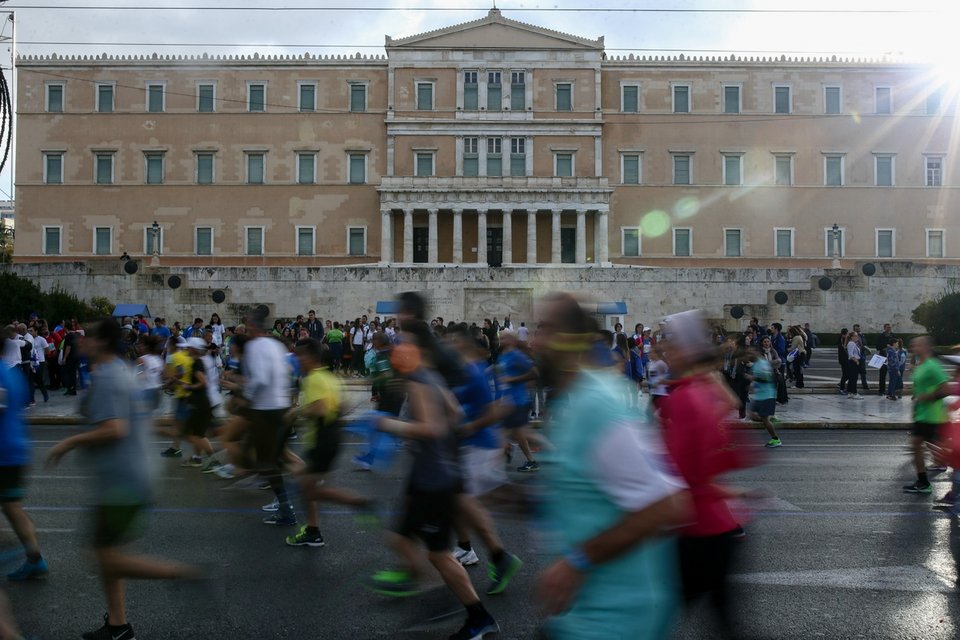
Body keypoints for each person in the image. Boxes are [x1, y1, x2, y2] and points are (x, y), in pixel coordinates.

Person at [535, 293, 688, 640]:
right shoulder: (574, 406)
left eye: (545, 329)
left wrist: (577, 561)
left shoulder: (598, 406)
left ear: (571, 340)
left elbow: (665, 505)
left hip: (619, 618)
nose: (535, 341)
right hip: (584, 613)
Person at [46, 318, 198, 640]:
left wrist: (67, 443)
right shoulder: (120, 371)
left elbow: (115, 428)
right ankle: (118, 625)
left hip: (123, 482)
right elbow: (138, 418)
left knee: (101, 557)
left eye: (87, 338)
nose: (81, 342)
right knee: (108, 555)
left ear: (101, 343)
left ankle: (181, 575)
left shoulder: (111, 377)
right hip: (124, 478)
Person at [368, 320, 499, 640]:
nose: (399, 348)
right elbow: (453, 415)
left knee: (436, 551)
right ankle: (437, 595)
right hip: (431, 472)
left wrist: (390, 426)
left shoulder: (421, 380)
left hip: (433, 478)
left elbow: (432, 428)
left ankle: (459, 608)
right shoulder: (433, 378)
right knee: (401, 539)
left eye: (405, 343)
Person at [658, 309, 752, 638]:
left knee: (658, 616)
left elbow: (681, 473)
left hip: (700, 531)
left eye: (671, 342)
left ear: (687, 350)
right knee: (725, 620)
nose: (664, 349)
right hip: (720, 524)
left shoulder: (685, 399)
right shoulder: (701, 393)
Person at [284, 339, 372, 547]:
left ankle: (356, 502)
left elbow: (321, 409)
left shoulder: (313, 379)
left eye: (300, 356)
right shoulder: (329, 377)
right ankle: (313, 530)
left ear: (311, 357)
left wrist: (295, 412)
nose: (297, 360)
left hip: (322, 439)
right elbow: (344, 405)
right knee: (306, 486)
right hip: (330, 437)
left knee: (308, 489)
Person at [244, 310, 297, 525]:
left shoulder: (255, 346)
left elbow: (260, 379)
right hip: (281, 406)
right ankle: (290, 496)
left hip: (265, 409)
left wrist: (246, 398)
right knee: (274, 458)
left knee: (267, 462)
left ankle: (287, 505)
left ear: (253, 327)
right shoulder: (275, 345)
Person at [0, 360, 48, 581]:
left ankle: (20, 552)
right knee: (12, 506)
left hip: (5, 451)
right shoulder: (11, 372)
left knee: (12, 507)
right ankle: (34, 558)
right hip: (14, 446)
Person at [903, 336, 952, 494]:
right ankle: (923, 482)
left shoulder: (932, 365)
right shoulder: (921, 365)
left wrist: (928, 397)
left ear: (925, 347)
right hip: (922, 415)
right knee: (918, 446)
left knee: (919, 446)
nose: (913, 347)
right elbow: (919, 389)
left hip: (932, 416)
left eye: (917, 345)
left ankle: (924, 482)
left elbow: (946, 389)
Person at [497, 330, 540, 472]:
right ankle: (529, 459)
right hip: (508, 401)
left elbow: (534, 373)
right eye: (500, 337)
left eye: (504, 337)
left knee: (504, 433)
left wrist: (512, 380)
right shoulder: (503, 355)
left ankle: (493, 468)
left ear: (511, 339)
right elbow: (502, 372)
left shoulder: (517, 355)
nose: (500, 339)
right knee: (517, 434)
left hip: (518, 401)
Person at [749, 349, 782, 447]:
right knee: (752, 416)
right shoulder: (755, 365)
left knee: (764, 419)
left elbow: (767, 378)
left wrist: (754, 379)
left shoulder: (763, 364)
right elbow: (757, 379)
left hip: (767, 395)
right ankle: (771, 420)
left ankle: (775, 439)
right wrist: (752, 386)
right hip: (759, 395)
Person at [876, 323, 897, 397]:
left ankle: (892, 391)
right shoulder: (881, 336)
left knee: (893, 375)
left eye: (890, 327)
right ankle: (881, 390)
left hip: (891, 358)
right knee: (882, 374)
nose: (889, 329)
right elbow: (877, 347)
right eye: (887, 327)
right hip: (883, 357)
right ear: (884, 328)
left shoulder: (893, 335)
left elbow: (896, 345)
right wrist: (886, 346)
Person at [845, 331, 863, 399]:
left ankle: (850, 392)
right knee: (854, 378)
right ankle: (854, 392)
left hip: (854, 361)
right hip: (854, 362)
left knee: (852, 377)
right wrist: (856, 361)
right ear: (852, 337)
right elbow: (851, 354)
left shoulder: (853, 343)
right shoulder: (851, 343)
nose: (857, 337)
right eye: (855, 336)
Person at [837, 328, 850, 395]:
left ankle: (841, 385)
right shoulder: (842, 340)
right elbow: (844, 347)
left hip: (844, 359)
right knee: (846, 374)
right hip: (844, 360)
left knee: (847, 374)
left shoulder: (842, 339)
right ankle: (841, 388)